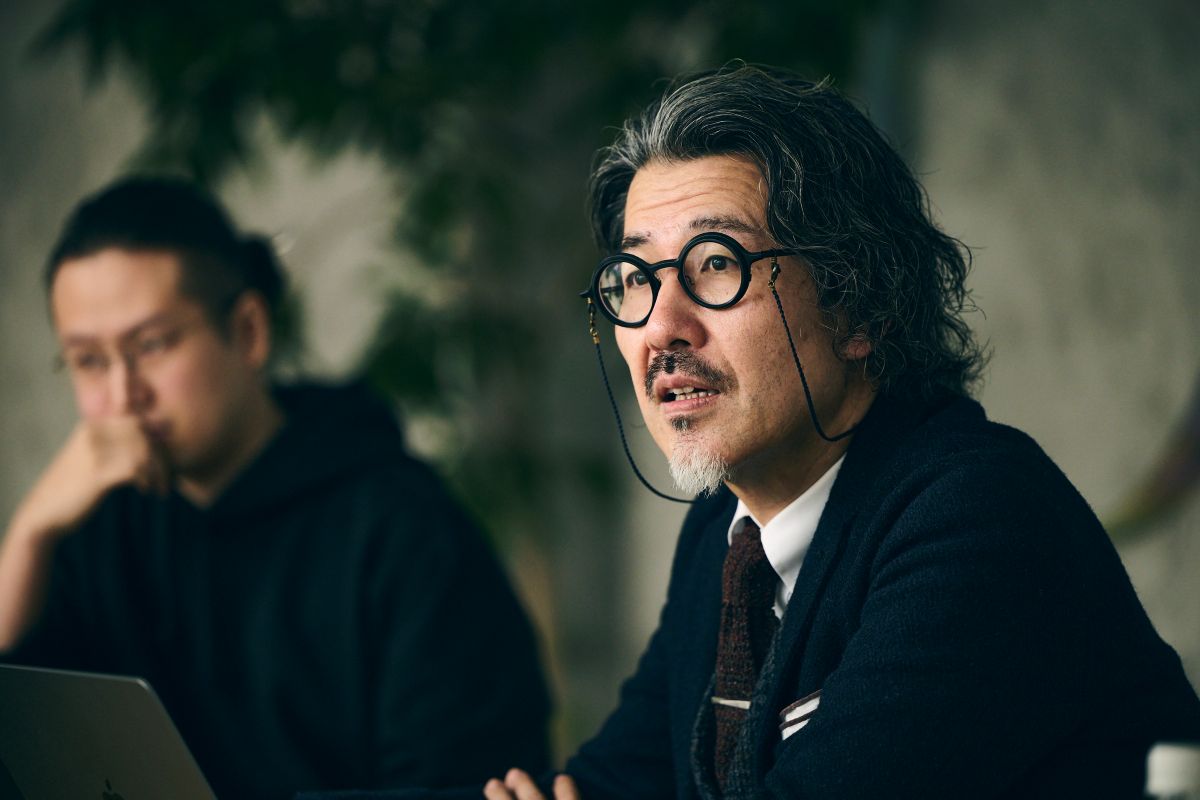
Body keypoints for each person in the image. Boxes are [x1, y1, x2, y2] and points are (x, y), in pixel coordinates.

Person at [478, 65, 1200, 799]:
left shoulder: (980, 519)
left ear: (858, 306)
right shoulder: (723, 537)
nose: (661, 326)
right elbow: (611, 784)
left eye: (717, 262)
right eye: (636, 276)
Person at [0, 177, 551, 800]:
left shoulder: (404, 531)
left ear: (248, 331)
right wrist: (29, 534)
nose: (123, 396)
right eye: (89, 361)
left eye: (150, 346)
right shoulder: (102, 527)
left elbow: (466, 783)